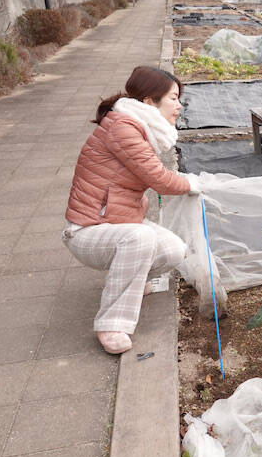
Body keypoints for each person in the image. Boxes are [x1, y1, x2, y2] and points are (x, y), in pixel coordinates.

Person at [63, 66, 199, 354]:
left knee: (174, 250)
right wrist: (192, 183)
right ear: (149, 101)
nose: (179, 105)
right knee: (140, 238)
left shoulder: (134, 125)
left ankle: (132, 283)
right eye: (173, 98)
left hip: (115, 222)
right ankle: (111, 325)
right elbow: (160, 179)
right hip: (87, 230)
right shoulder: (123, 129)